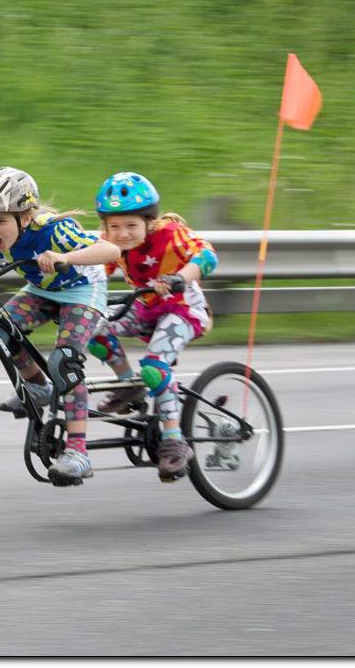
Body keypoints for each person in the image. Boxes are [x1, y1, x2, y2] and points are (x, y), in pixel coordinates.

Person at [0, 167, 120, 485]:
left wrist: (67, 257)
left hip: (82, 288)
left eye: (0, 220)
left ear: (24, 217)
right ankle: (37, 387)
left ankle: (77, 452)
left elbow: (111, 251)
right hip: (43, 290)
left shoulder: (53, 230)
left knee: (65, 363)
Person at [87, 171, 218, 482]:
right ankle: (129, 385)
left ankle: (175, 442)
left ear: (149, 222)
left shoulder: (171, 234)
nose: (122, 234)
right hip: (145, 306)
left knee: (155, 368)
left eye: (131, 226)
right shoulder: (110, 243)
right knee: (92, 329)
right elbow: (94, 272)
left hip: (184, 308)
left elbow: (208, 255)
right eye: (114, 226)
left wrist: (180, 278)